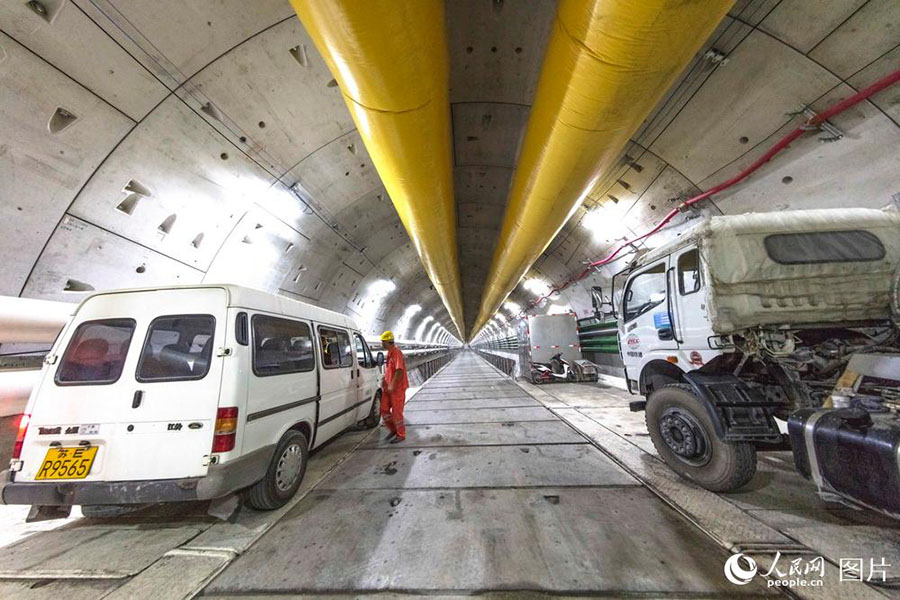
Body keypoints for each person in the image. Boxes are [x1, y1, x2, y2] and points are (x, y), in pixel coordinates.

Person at [379, 330, 409, 443]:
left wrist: (392, 385)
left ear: (388, 342)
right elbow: (390, 370)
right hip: (388, 388)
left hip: (397, 389)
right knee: (384, 409)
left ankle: (401, 434)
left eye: (383, 342)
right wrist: (385, 380)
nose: (381, 344)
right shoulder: (389, 353)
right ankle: (393, 429)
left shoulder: (397, 353)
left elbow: (399, 370)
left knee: (397, 412)